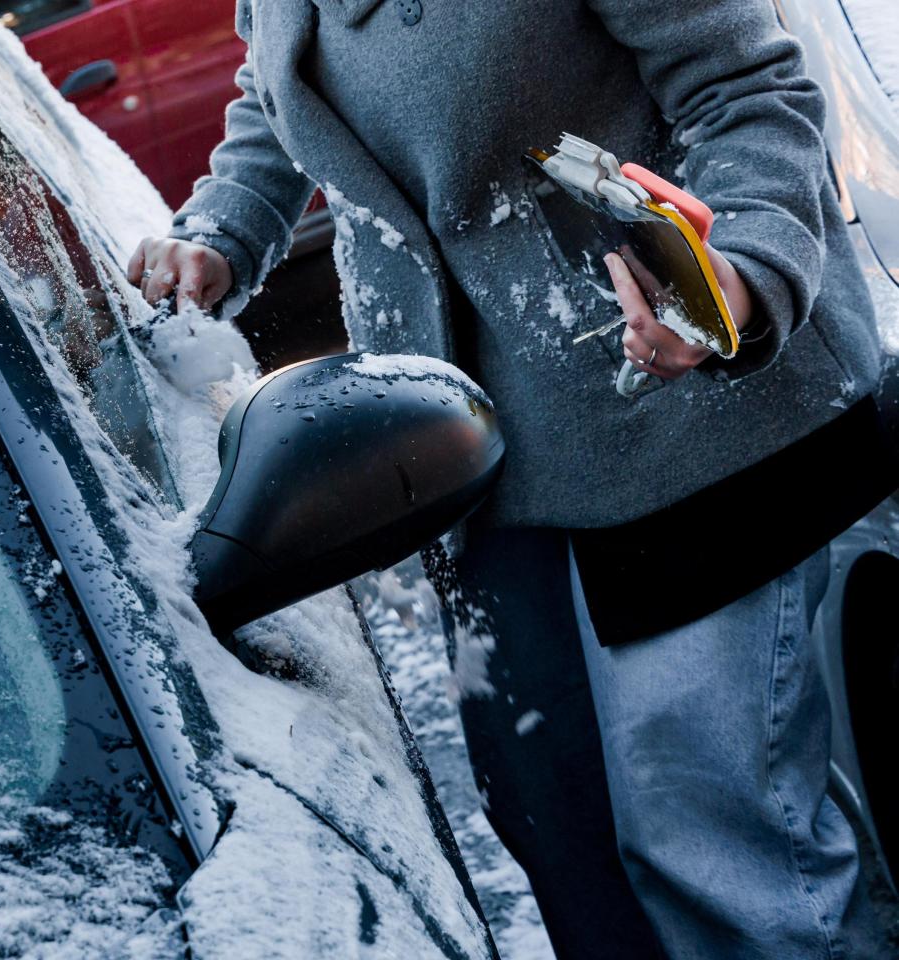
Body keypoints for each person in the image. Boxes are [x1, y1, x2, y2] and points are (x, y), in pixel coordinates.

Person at [126, 1, 894, 958]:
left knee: (719, 848)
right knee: (560, 832)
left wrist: (739, 275)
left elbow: (750, 90)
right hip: (468, 458)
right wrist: (221, 232)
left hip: (686, 429)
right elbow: (280, 87)